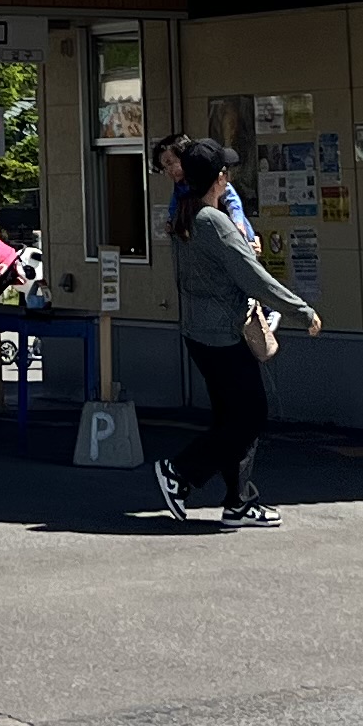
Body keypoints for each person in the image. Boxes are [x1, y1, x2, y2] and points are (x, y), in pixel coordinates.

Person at [150, 139, 318, 530]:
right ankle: (180, 472)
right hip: (223, 335)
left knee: (233, 419)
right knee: (250, 416)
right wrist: (302, 311)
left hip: (200, 332)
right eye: (225, 171)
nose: (228, 176)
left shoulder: (188, 215)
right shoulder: (213, 221)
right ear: (219, 178)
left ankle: (238, 502)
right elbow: (253, 278)